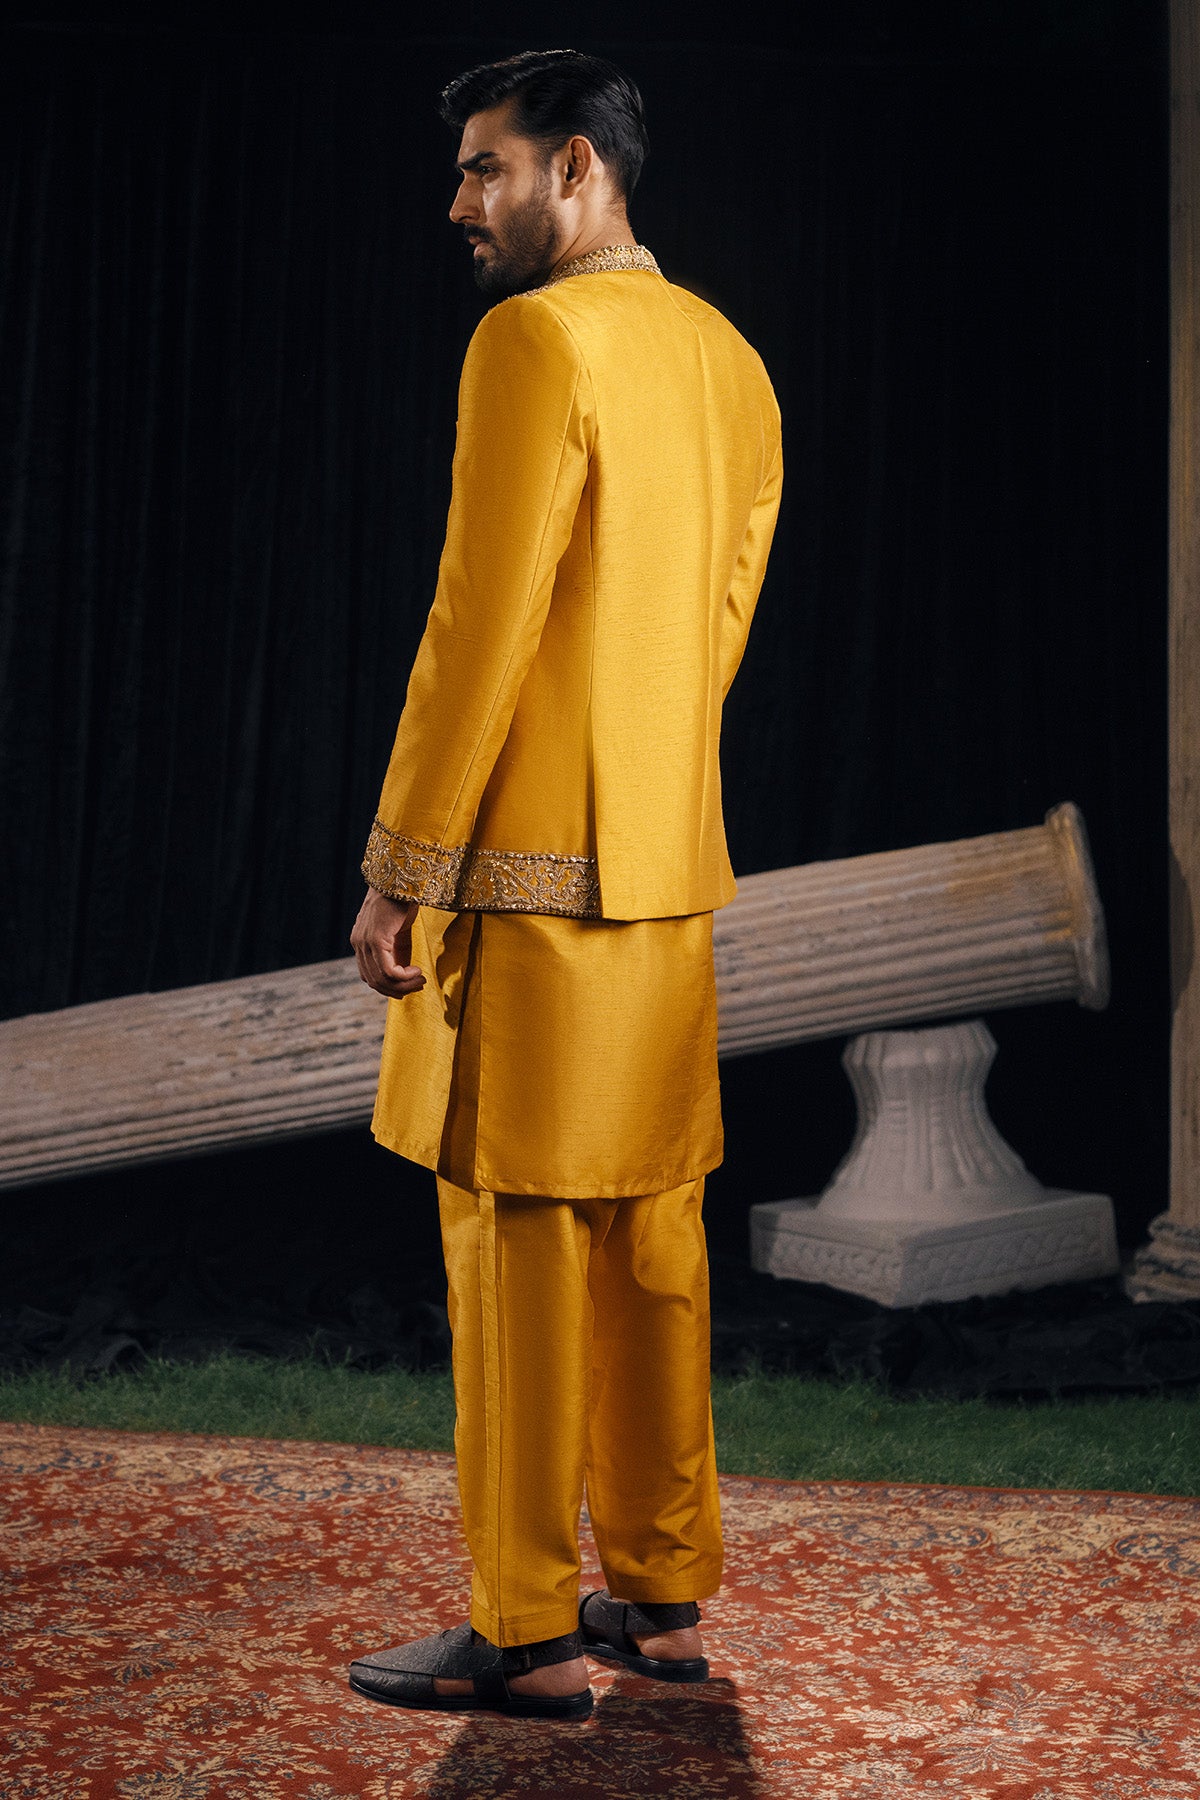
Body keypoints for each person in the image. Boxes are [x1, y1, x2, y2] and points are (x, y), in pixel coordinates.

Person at [348, 48, 781, 1722]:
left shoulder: (534, 341)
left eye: (488, 167)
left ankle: (526, 1625)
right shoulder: (727, 357)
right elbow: (720, 623)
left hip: (529, 880)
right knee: (656, 1236)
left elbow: (483, 621)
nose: (459, 200)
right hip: (667, 869)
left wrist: (403, 865)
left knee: (521, 1241)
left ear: (579, 168)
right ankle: (661, 1597)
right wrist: (647, 790)